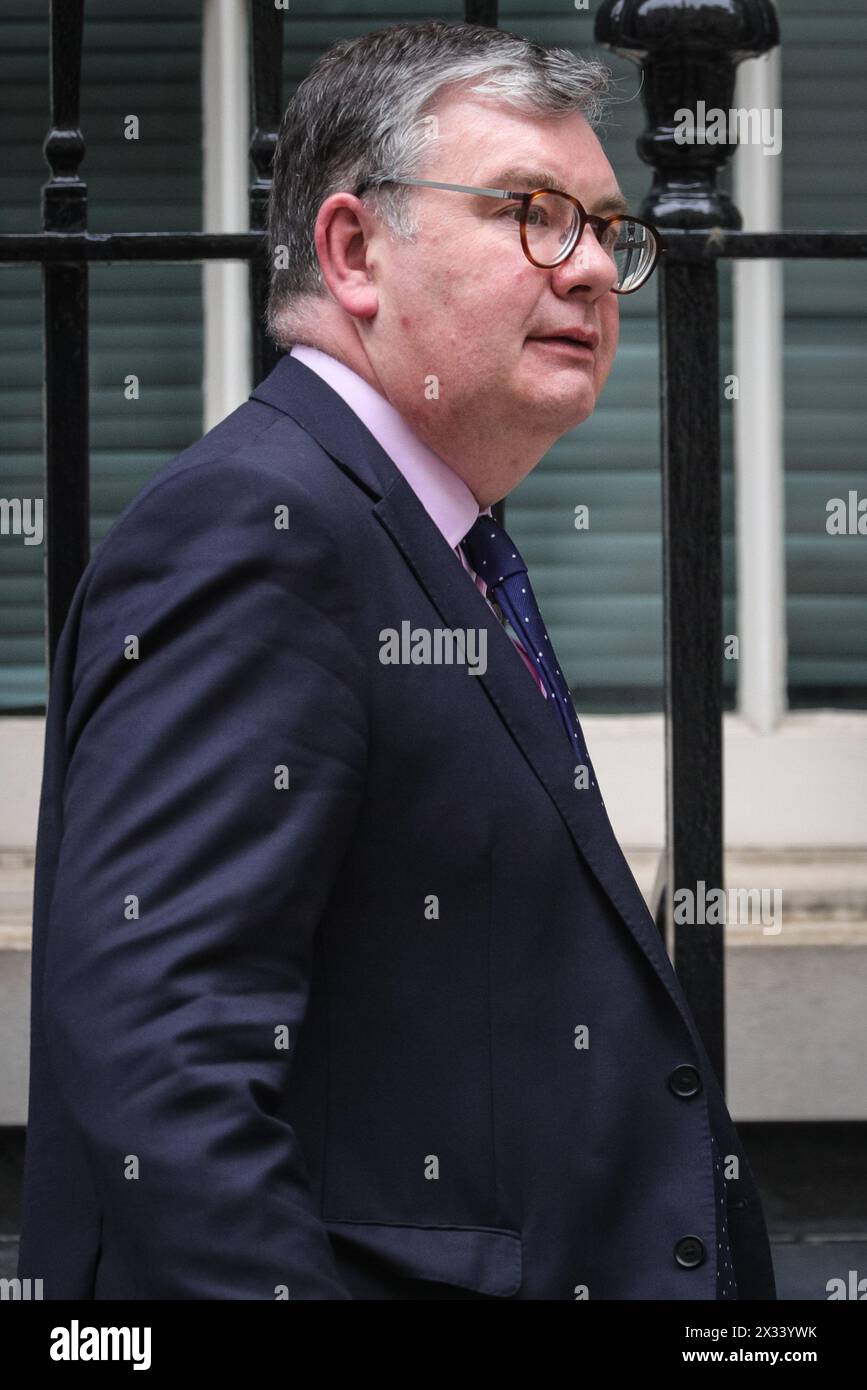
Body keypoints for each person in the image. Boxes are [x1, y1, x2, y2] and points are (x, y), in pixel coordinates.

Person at [17, 20, 775, 1300]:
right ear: (354, 248)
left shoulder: (418, 529)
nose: (592, 267)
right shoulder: (259, 534)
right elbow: (164, 1065)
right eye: (534, 214)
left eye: (605, 227)